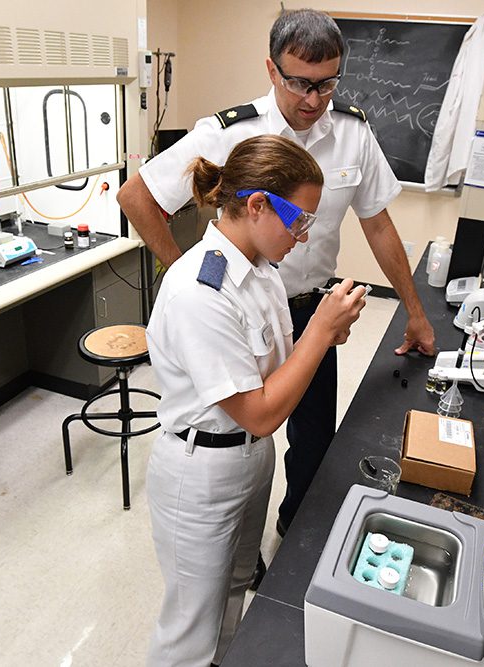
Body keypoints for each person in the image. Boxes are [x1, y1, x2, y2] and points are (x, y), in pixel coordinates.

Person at [118, 10, 437, 554]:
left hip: (310, 307)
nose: (314, 100)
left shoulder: (354, 133)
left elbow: (378, 222)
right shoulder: (232, 134)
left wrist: (415, 309)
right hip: (237, 313)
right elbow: (136, 197)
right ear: (271, 69)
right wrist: (189, 279)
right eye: (300, 83)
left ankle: (294, 540)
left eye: (328, 83)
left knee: (312, 443)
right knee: (240, 424)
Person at [144, 134, 366, 667]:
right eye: (299, 219)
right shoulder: (200, 291)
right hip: (200, 471)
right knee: (189, 628)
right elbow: (262, 412)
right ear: (258, 205)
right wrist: (319, 333)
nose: (304, 235)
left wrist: (324, 335)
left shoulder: (262, 272)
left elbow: (275, 373)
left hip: (249, 459)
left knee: (236, 586)